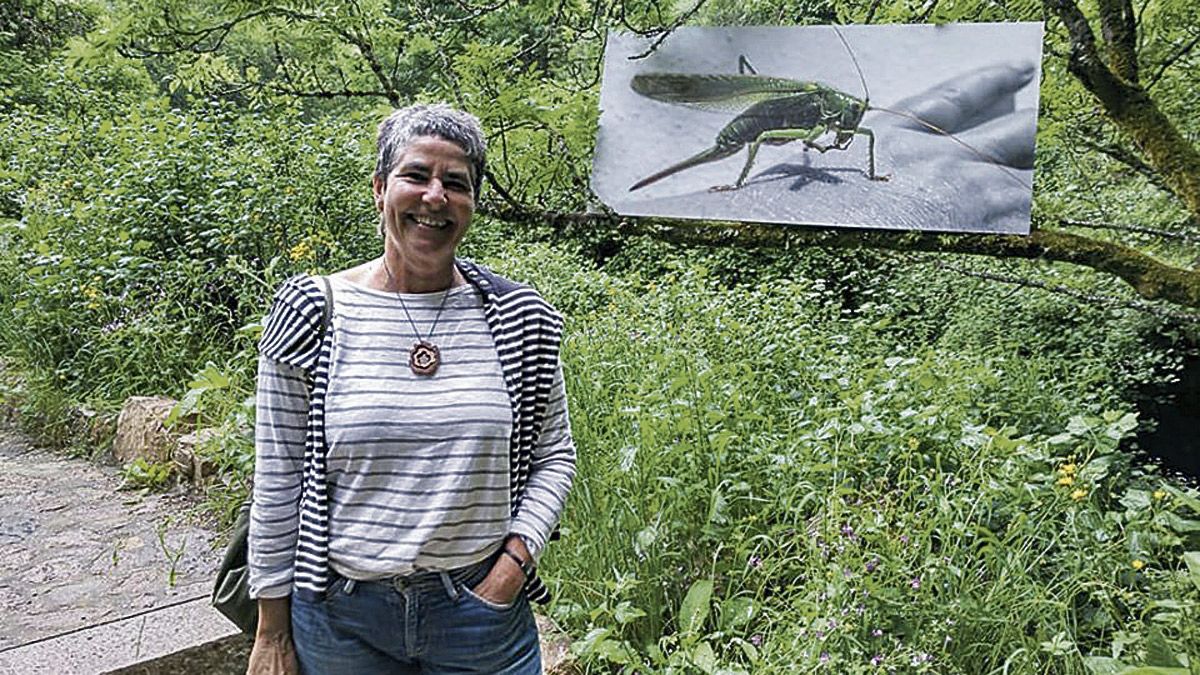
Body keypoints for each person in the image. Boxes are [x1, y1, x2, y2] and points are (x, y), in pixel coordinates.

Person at [245, 103, 576, 674]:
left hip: (481, 614)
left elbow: (555, 455)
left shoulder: (521, 317)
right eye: (416, 175)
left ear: (473, 202)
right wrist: (271, 631)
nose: (435, 196)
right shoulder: (313, 311)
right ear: (380, 189)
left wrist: (512, 568)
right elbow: (278, 478)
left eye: (456, 183)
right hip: (341, 616)